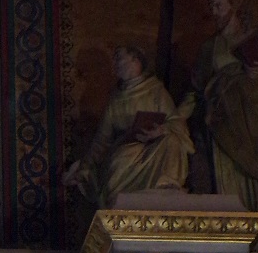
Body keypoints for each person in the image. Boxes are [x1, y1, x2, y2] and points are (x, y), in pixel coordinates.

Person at [64, 46, 192, 207]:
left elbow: (175, 120)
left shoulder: (156, 90)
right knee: (121, 158)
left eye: (119, 57)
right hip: (127, 147)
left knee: (172, 141)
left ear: (135, 60)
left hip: (156, 146)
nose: (115, 63)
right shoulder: (116, 99)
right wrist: (85, 167)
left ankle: (166, 187)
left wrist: (160, 131)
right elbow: (102, 140)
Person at [193, 0, 258, 211]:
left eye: (219, 5)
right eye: (211, 7)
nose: (215, 12)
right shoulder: (209, 48)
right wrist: (174, 118)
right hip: (224, 113)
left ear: (233, 5)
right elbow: (197, 89)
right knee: (235, 166)